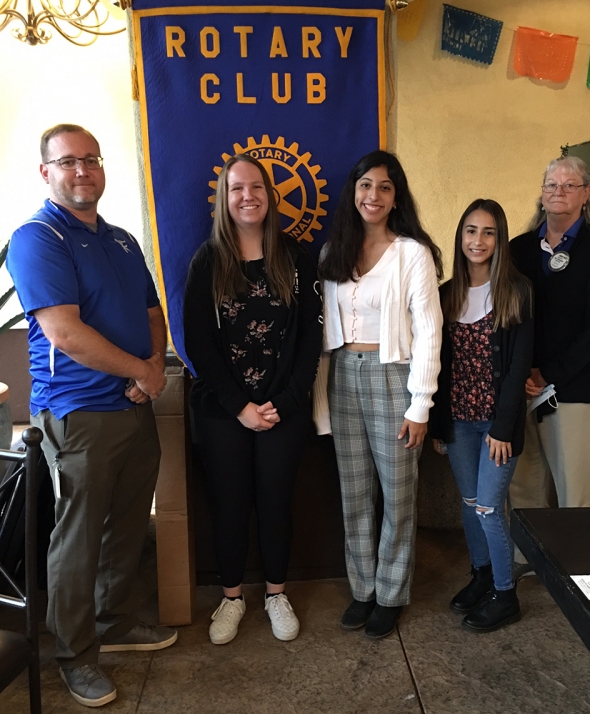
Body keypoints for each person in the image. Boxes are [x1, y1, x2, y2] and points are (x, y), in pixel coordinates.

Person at [7, 124, 177, 708]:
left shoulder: (123, 240)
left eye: (91, 160)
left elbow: (153, 312)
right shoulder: (37, 238)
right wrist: (139, 371)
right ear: (47, 172)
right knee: (76, 540)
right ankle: (74, 656)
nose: (83, 171)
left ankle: (115, 623)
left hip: (133, 403)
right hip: (78, 411)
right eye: (69, 162)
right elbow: (64, 331)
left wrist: (152, 365)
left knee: (127, 522)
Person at [184, 153, 322, 646]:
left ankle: (276, 595)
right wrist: (240, 406)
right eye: (237, 188)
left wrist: (284, 400)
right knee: (229, 504)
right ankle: (232, 597)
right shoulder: (208, 260)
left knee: (275, 502)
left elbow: (311, 337)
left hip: (282, 407)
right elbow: (197, 342)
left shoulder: (295, 257)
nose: (248, 196)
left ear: (271, 195)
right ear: (225, 199)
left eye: (257, 187)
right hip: (225, 410)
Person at [314, 150, 443, 639]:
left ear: (396, 197)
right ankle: (362, 589)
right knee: (355, 494)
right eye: (365, 185)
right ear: (354, 191)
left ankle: (390, 594)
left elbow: (430, 331)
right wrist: (320, 402)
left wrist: (419, 406)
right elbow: (327, 335)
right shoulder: (333, 254)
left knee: (398, 495)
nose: (373, 195)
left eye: (384, 187)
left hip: (394, 377)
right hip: (343, 374)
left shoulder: (413, 253)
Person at [508, 156, 590, 578]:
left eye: (569, 184)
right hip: (520, 387)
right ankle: (527, 561)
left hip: (574, 389)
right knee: (524, 482)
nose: (558, 191)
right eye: (551, 184)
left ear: (585, 194)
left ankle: (573, 569)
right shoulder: (518, 249)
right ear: (541, 194)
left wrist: (548, 373)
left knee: (573, 487)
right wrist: (519, 373)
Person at [431, 199, 533, 632]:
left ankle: (506, 595)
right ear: (460, 236)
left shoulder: (516, 291)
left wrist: (503, 426)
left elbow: (518, 366)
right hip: (458, 423)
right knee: (471, 506)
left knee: (491, 508)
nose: (478, 240)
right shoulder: (446, 294)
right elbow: (435, 363)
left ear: (500, 239)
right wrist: (438, 426)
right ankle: (483, 576)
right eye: (471, 231)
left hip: (495, 428)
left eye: (488, 232)